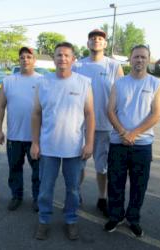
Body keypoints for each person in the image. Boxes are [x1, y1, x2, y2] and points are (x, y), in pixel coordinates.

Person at [31, 42, 95, 240]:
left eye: (67, 55)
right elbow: (36, 114)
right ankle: (44, 220)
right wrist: (35, 142)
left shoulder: (84, 82)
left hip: (74, 148)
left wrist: (90, 142)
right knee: (45, 189)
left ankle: (71, 220)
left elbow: (90, 114)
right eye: (59, 55)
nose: (63, 59)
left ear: (73, 59)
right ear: (54, 59)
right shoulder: (43, 82)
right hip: (48, 147)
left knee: (73, 190)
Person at [105, 45, 160, 237]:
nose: (139, 60)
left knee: (139, 185)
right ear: (130, 59)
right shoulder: (119, 84)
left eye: (143, 57)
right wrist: (123, 132)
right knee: (115, 183)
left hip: (143, 145)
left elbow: (156, 114)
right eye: (136, 57)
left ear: (148, 60)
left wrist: (134, 133)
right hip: (118, 143)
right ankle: (115, 216)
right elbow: (110, 110)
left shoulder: (156, 83)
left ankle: (133, 219)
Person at [72, 29, 124, 216]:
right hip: (81, 126)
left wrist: (120, 125)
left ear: (105, 43)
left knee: (102, 167)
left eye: (100, 39)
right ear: (88, 44)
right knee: (79, 165)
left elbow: (121, 95)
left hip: (105, 126)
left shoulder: (114, 66)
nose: (96, 41)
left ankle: (102, 198)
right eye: (93, 38)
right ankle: (76, 195)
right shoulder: (77, 66)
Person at [0, 47, 41, 212]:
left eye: (29, 57)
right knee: (14, 169)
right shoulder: (9, 81)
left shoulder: (43, 80)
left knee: (38, 172)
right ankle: (16, 196)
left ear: (34, 60)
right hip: (14, 136)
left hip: (36, 137)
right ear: (18, 60)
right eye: (22, 57)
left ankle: (38, 198)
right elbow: (0, 107)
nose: (25, 60)